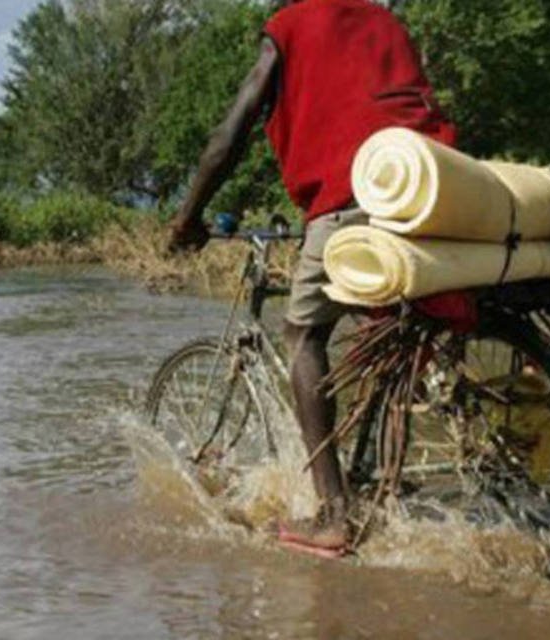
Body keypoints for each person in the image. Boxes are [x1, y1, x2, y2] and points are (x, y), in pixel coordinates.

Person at [169, 0, 456, 556]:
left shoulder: (291, 24)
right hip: (429, 185)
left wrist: (187, 218)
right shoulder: (383, 19)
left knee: (303, 334)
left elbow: (233, 128)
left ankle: (335, 514)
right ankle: (386, 481)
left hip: (358, 190)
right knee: (392, 330)